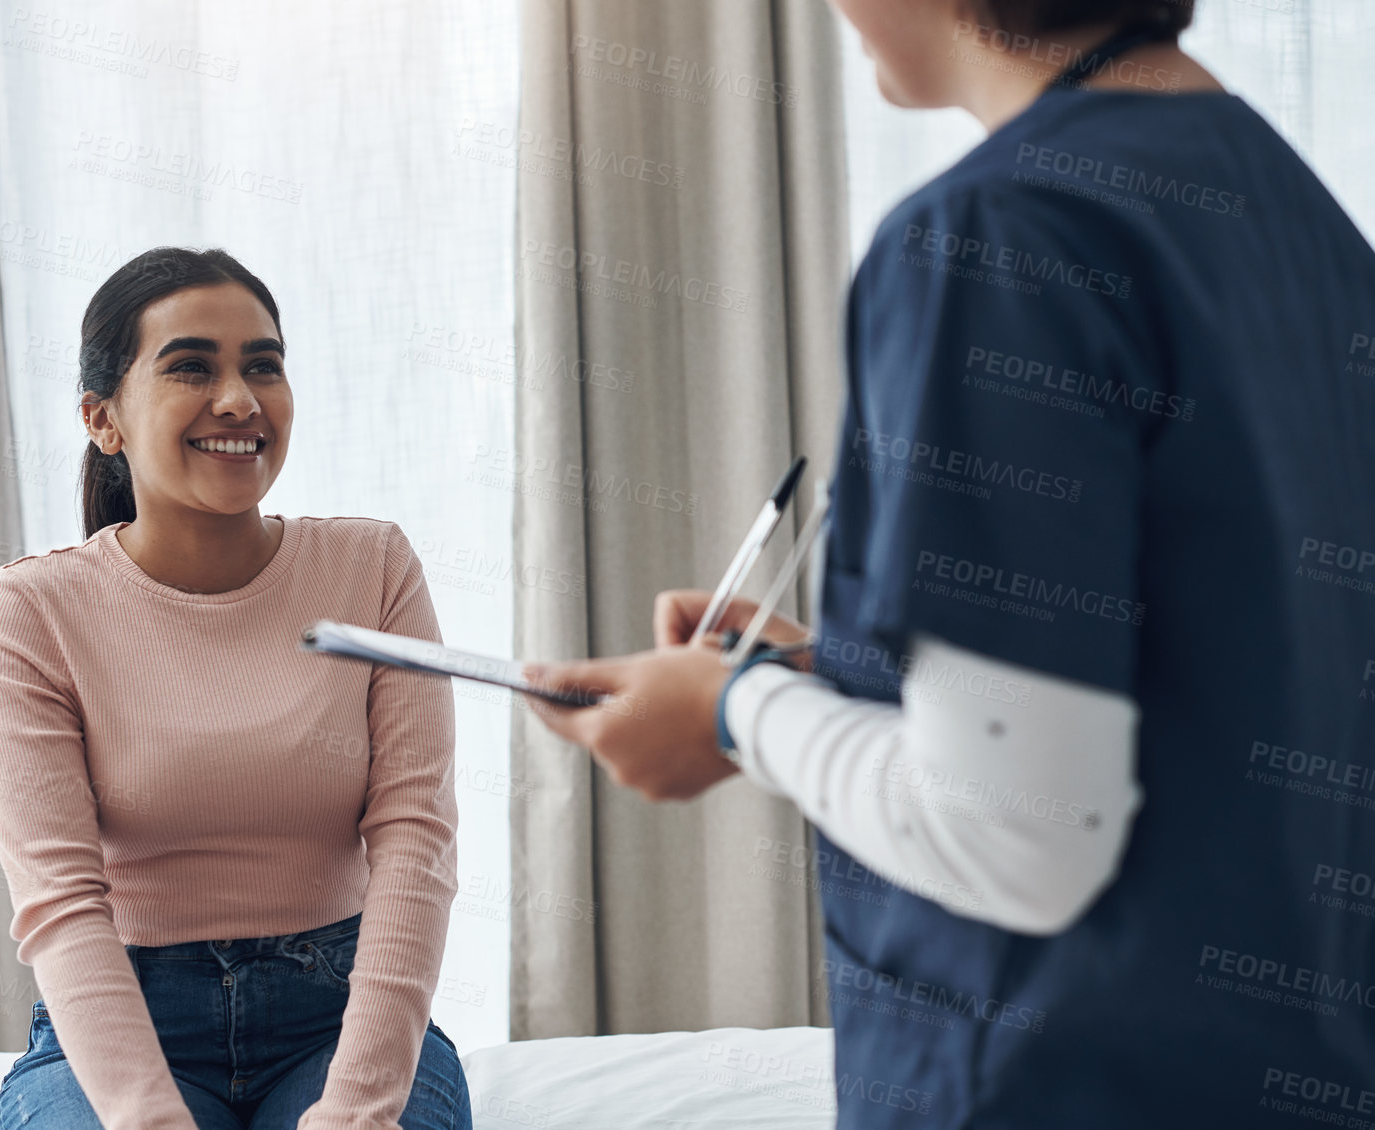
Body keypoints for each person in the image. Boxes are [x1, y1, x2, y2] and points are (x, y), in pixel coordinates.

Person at [525, 1, 1375, 1125]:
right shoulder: (1306, 227)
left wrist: (738, 710)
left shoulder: (999, 232)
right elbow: (1229, 663)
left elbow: (1020, 834)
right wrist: (856, 673)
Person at [0, 247, 471, 1130]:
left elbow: (415, 846)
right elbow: (61, 901)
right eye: (192, 367)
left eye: (263, 366)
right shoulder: (32, 609)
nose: (239, 398)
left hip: (338, 1018)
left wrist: (356, 1110)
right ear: (103, 418)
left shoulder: (374, 567)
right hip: (126, 1020)